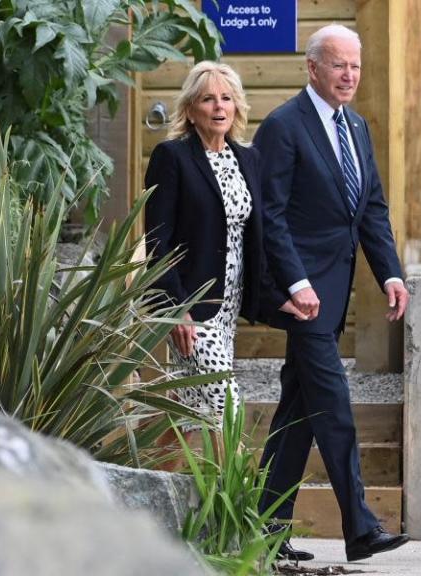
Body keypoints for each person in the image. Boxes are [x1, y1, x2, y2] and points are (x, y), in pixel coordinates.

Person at [254, 24, 410, 563]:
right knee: (334, 405)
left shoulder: (358, 127)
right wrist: (295, 281)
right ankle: (361, 526)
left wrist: (389, 272)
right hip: (302, 296)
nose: (349, 75)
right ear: (312, 69)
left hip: (335, 290)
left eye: (356, 66)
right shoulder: (283, 126)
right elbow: (269, 215)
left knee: (297, 411)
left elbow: (370, 209)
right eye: (339, 65)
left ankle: (264, 530)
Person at [144, 62, 303, 460]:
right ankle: (234, 509)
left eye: (227, 98)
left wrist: (278, 295)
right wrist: (174, 310)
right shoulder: (172, 157)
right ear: (191, 109)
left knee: (187, 408)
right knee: (226, 405)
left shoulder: (247, 159)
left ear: (237, 107)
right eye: (208, 99)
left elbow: (256, 239)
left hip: (229, 305)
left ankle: (140, 491)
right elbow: (156, 240)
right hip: (192, 306)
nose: (219, 106)